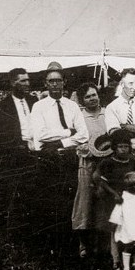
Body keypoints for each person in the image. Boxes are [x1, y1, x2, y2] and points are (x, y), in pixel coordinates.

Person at [31, 67, 88, 255]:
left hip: (69, 159)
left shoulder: (72, 106)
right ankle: (51, 249)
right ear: (46, 84)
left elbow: (83, 134)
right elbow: (40, 135)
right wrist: (67, 132)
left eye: (58, 80)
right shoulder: (39, 107)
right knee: (51, 203)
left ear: (64, 83)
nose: (55, 84)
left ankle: (70, 248)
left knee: (70, 203)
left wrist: (60, 142)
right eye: (51, 81)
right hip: (48, 160)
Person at [0, 68, 37, 238]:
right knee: (12, 199)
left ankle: (32, 235)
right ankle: (9, 239)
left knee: (33, 197)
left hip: (35, 156)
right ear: (13, 83)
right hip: (14, 158)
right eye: (23, 81)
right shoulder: (3, 107)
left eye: (28, 80)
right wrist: (18, 146)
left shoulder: (34, 102)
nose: (27, 84)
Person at [94, 129, 135, 270]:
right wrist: (113, 193)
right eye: (120, 147)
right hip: (114, 201)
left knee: (132, 229)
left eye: (126, 146)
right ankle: (116, 260)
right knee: (116, 230)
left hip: (130, 201)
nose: (123, 150)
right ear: (114, 148)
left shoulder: (133, 161)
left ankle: (133, 261)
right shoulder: (108, 162)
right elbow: (99, 179)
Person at [72, 82, 112, 260]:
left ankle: (105, 245)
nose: (92, 98)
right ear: (82, 100)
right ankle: (83, 243)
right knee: (85, 202)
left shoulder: (108, 114)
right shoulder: (79, 116)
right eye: (88, 96)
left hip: (107, 163)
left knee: (105, 200)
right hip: (87, 163)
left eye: (94, 94)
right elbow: (76, 141)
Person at [109, 171, 135, 270]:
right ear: (126, 187)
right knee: (128, 246)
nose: (134, 188)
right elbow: (117, 212)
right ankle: (126, 269)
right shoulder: (124, 198)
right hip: (127, 227)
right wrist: (114, 223)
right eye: (131, 186)